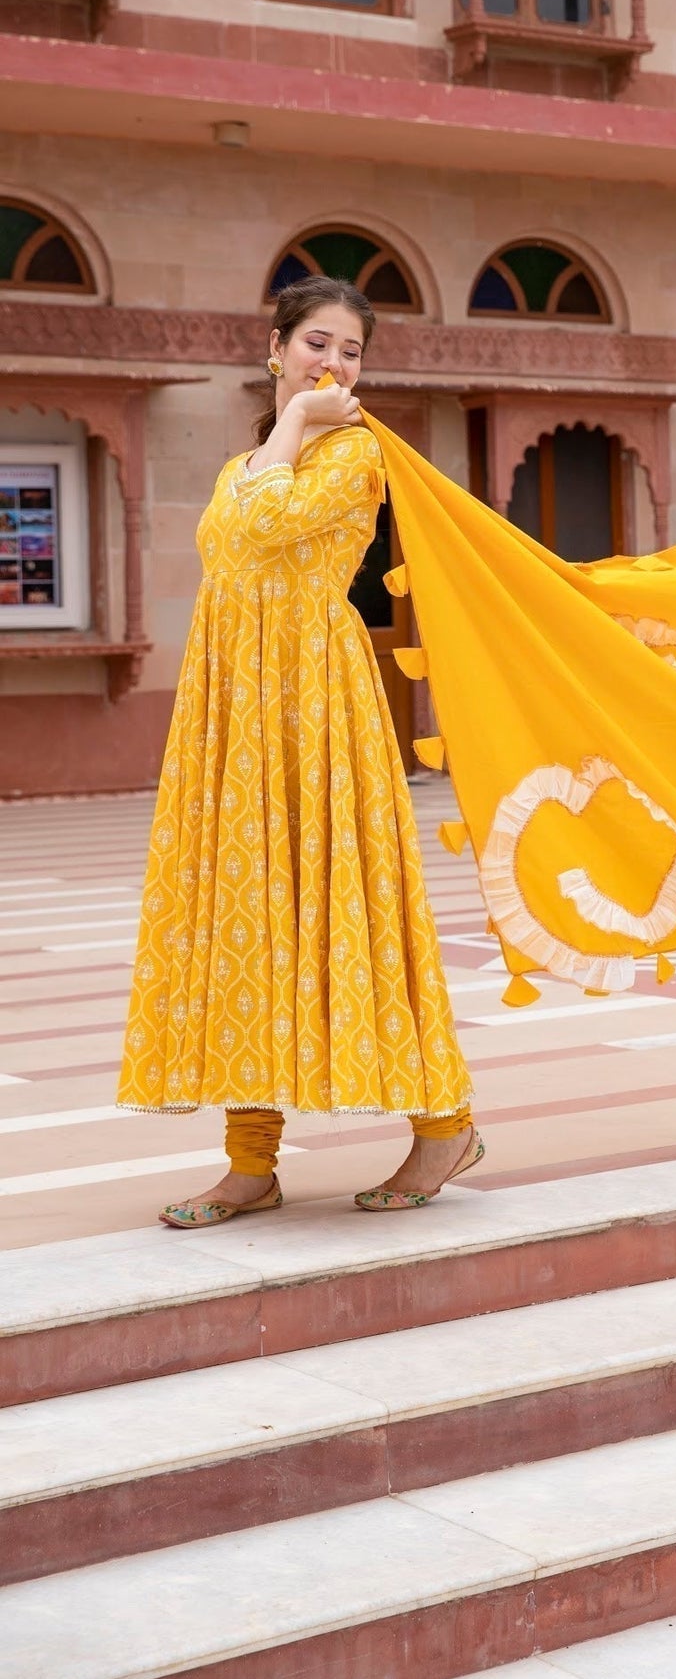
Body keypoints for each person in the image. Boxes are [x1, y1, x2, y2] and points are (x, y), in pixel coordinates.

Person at [117, 274, 479, 1225]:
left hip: (319, 707)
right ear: (274, 348)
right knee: (244, 916)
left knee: (349, 911)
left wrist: (295, 427)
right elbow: (229, 548)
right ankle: (250, 1162)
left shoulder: (356, 458)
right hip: (236, 707)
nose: (334, 363)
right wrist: (285, 429)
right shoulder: (245, 463)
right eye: (317, 343)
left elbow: (266, 526)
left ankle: (445, 1124)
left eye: (351, 351)